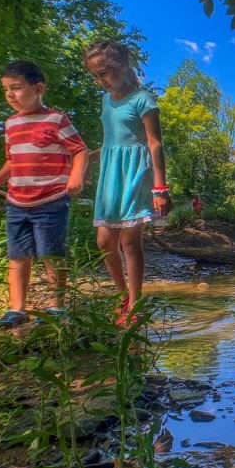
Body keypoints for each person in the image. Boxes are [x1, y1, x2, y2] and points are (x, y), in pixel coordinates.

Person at [0, 60, 88, 328]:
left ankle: (57, 307)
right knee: (18, 255)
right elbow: (12, 160)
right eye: (6, 89)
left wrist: (76, 176)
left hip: (50, 199)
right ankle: (16, 308)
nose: (10, 95)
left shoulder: (56, 119)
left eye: (16, 88)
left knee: (51, 254)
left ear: (38, 88)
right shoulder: (11, 124)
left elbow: (79, 150)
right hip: (16, 201)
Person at [83, 39, 171, 325]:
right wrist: (86, 159)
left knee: (130, 242)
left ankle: (135, 303)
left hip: (136, 173)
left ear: (122, 65)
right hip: (110, 175)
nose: (100, 80)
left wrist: (160, 188)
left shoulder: (143, 100)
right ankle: (122, 295)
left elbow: (155, 144)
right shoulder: (106, 101)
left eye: (104, 73)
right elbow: (111, 143)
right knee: (104, 241)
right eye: (96, 75)